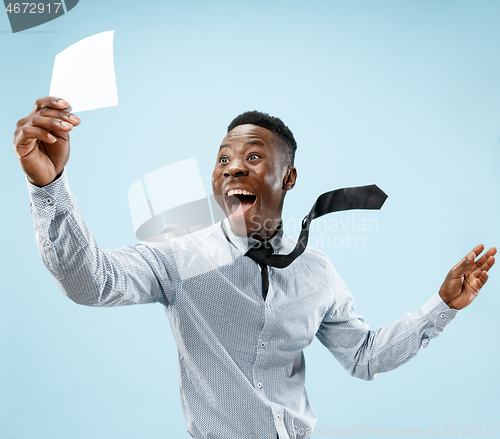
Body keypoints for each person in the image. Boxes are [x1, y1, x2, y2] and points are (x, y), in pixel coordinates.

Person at [13, 97, 496, 439]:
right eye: (223, 159)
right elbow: (91, 282)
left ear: (288, 178)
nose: (232, 168)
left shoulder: (317, 272)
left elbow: (363, 356)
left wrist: (443, 306)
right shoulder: (179, 258)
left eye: (252, 157)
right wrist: (49, 185)